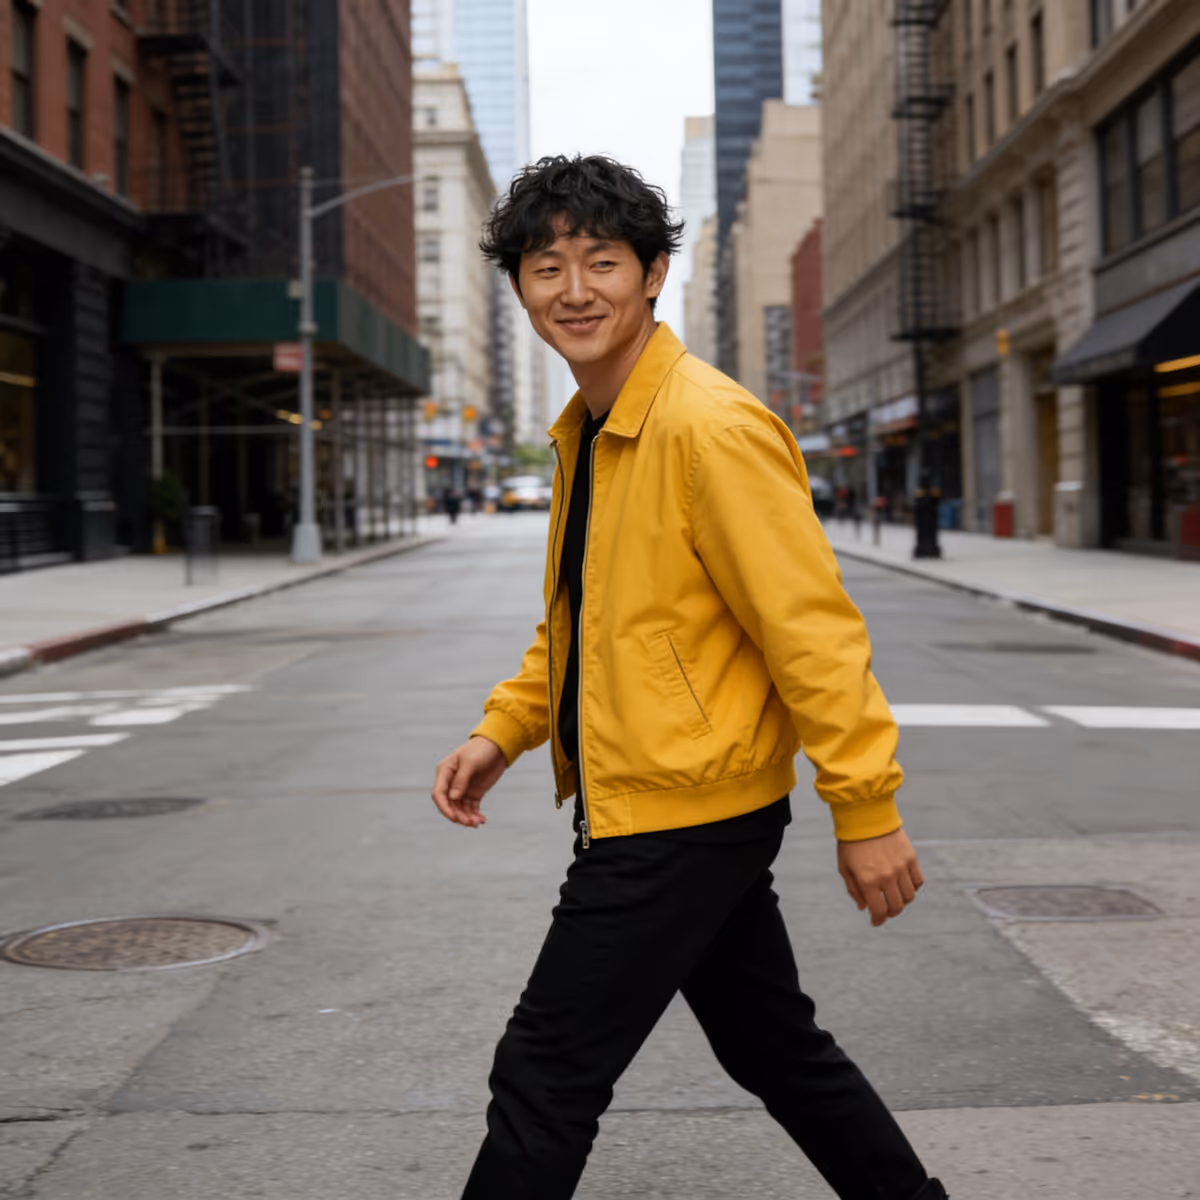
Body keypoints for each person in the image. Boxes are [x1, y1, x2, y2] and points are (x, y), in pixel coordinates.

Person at [431, 155, 949, 1200]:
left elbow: (812, 633)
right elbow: (587, 627)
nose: (573, 290)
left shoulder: (707, 427)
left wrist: (868, 806)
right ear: (521, 286)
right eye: (545, 267)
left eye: (602, 262)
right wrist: (506, 728)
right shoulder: (592, 431)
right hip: (674, 801)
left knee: (544, 1073)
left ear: (655, 272)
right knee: (774, 1050)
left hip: (677, 817)